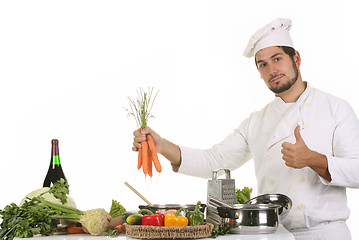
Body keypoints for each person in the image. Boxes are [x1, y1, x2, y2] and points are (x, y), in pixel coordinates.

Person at [132, 18, 359, 239]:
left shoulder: (335, 109)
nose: (272, 69)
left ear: (296, 58)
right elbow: (215, 160)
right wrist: (161, 146)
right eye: (263, 64)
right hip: (274, 234)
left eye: (277, 58)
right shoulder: (257, 121)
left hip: (326, 234)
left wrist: (313, 159)